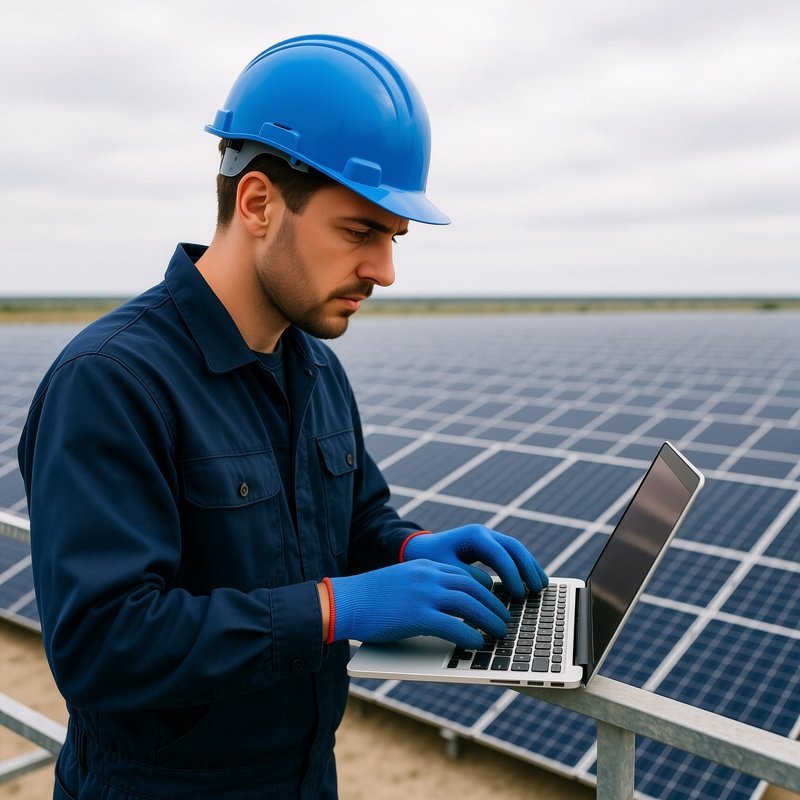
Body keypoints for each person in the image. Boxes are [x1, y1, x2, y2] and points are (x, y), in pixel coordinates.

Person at [18, 35, 547, 800]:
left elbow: (357, 517)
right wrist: (336, 607)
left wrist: (410, 547)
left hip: (303, 780)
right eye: (359, 231)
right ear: (259, 202)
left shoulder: (315, 367)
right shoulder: (111, 383)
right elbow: (102, 643)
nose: (385, 271)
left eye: (392, 239)